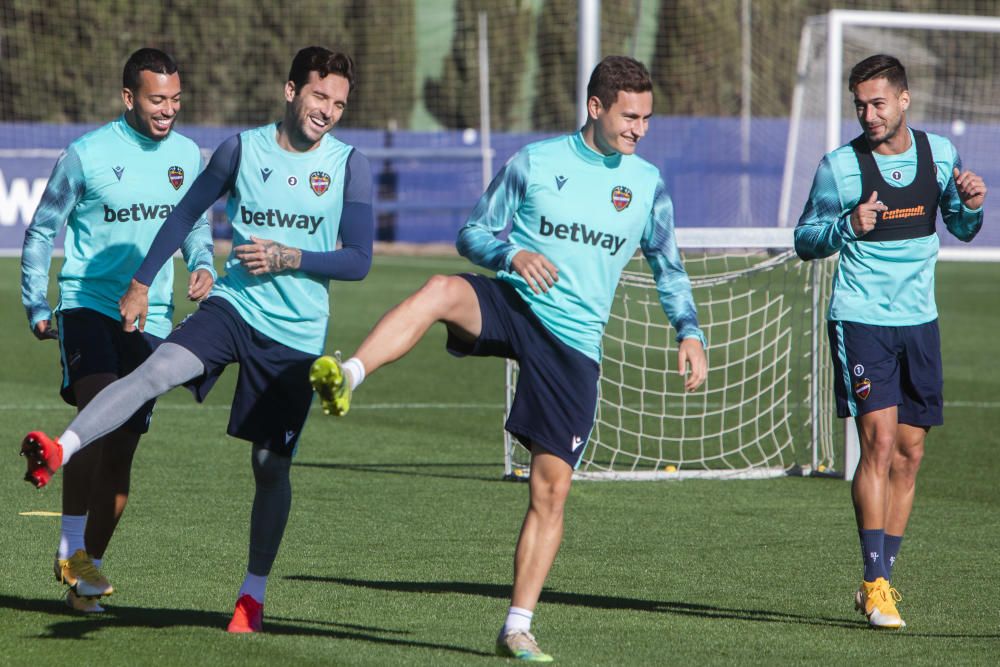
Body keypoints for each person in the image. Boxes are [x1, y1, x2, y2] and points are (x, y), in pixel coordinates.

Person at [309, 55, 707, 661]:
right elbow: (472, 234)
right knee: (442, 288)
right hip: (515, 303)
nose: (639, 129)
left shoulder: (647, 185)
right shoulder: (535, 164)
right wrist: (513, 255)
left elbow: (668, 266)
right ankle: (349, 375)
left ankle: (516, 626)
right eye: (630, 116)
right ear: (595, 108)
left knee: (550, 491)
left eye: (647, 119)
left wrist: (688, 330)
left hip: (573, 343)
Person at [20, 46, 374, 633]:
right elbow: (183, 216)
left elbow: (359, 260)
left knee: (269, 465)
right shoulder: (241, 149)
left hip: (295, 333)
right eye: (319, 97)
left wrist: (292, 256)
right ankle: (62, 452)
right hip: (230, 306)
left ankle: (251, 596)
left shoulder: (349, 165)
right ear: (291, 91)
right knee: (152, 373)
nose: (328, 111)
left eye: (338, 102)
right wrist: (140, 282)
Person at [20, 47, 216, 614]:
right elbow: (41, 231)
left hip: (150, 320)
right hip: (87, 305)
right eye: (158, 99)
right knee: (98, 416)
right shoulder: (86, 154)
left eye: (176, 99)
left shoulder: (186, 153)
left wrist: (202, 261)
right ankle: (70, 549)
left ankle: (87, 572)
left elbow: (196, 222)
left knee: (123, 451)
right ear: (129, 98)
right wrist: (37, 304)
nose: (169, 110)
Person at [794, 54, 986, 629]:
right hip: (861, 319)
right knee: (876, 443)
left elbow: (958, 224)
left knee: (911, 453)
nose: (869, 114)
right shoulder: (839, 168)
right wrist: (847, 226)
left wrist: (972, 204)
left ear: (904, 100)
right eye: (860, 104)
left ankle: (882, 582)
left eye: (878, 103)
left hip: (919, 320)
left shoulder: (940, 155)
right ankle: (874, 581)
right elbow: (805, 239)